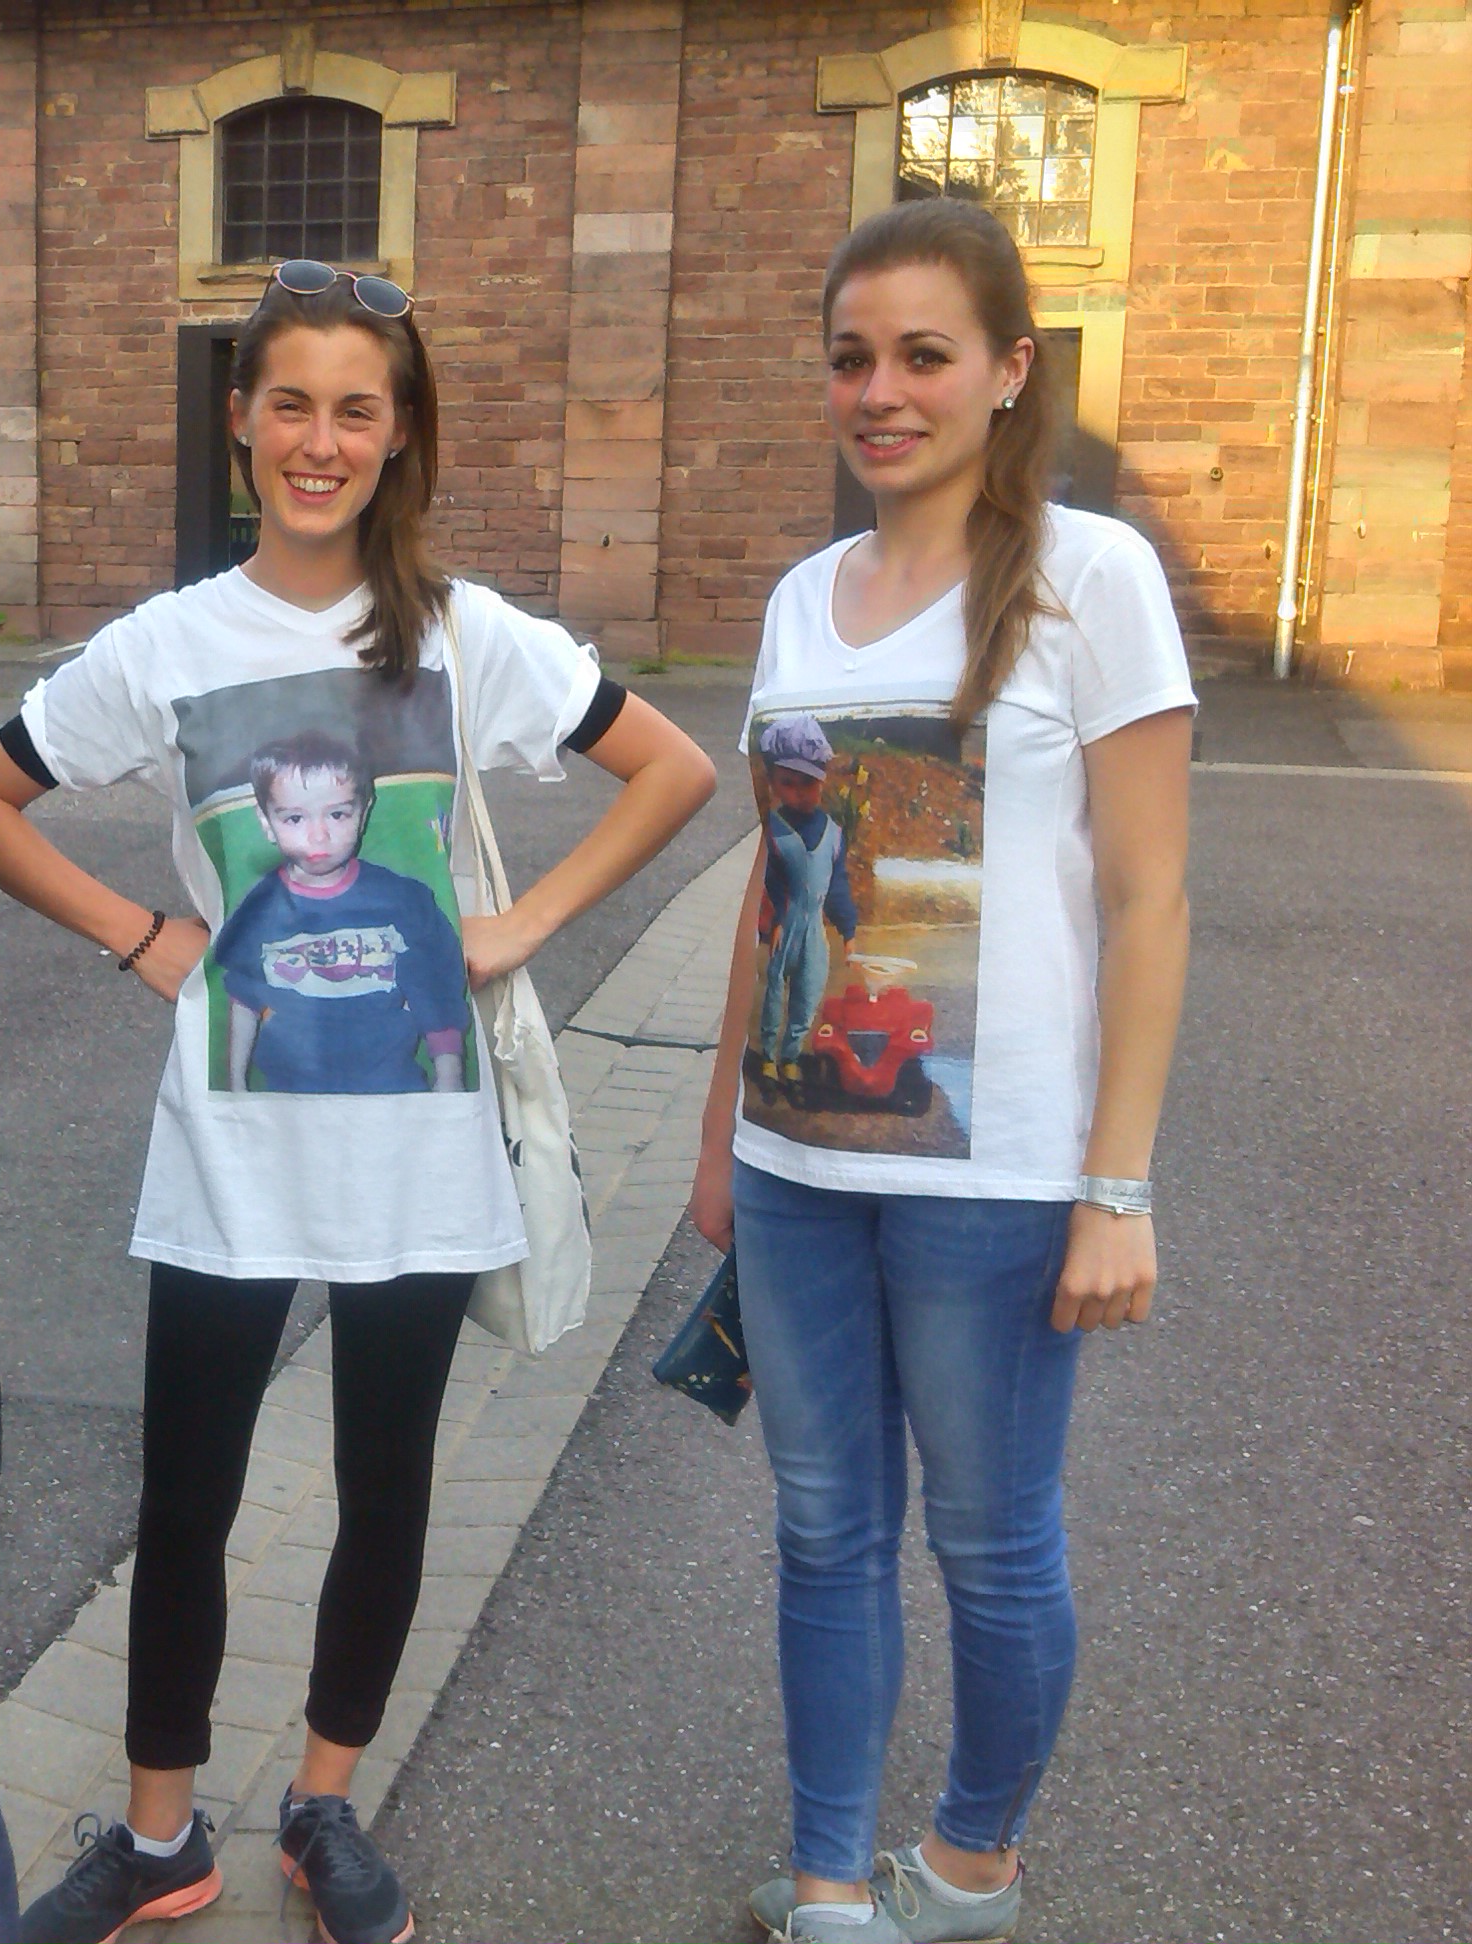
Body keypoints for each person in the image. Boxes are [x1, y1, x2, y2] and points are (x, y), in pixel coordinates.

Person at [0, 259, 715, 1944]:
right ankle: (160, 1838)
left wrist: (518, 926)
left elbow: (675, 767)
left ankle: (324, 1804)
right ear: (238, 420)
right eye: (288, 402)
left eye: (357, 409)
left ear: (400, 432)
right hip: (232, 1151)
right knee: (188, 1501)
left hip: (420, 1155)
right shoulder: (167, 645)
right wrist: (145, 934)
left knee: (386, 1488)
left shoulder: (466, 636)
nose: (320, 439)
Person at [687, 197, 1195, 1944]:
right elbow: (775, 888)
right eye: (852, 358)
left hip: (998, 1176)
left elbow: (1148, 900)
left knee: (990, 1539)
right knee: (823, 1527)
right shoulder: (799, 600)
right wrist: (721, 1137)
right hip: (798, 1165)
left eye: (922, 355)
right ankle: (833, 1879)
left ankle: (972, 1862)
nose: (881, 392)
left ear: (1007, 370)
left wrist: (1116, 1185)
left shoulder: (1088, 579)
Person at [212, 730, 469, 1095]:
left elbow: (436, 990)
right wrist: (236, 1084)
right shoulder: (259, 909)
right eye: (294, 819)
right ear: (266, 821)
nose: (318, 836)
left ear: (363, 813)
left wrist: (449, 1077)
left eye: (337, 814)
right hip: (289, 1102)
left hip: (393, 1093)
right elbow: (243, 997)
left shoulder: (404, 902)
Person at [751, 713, 856, 1095]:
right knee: (774, 989)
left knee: (808, 991)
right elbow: (769, 880)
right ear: (773, 783)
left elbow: (837, 884)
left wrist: (848, 930)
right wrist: (773, 919)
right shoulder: (773, 830)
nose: (799, 793)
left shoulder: (833, 834)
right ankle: (767, 1055)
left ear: (822, 781)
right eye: (788, 784)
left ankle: (791, 1057)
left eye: (808, 783)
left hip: (814, 927)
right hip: (785, 922)